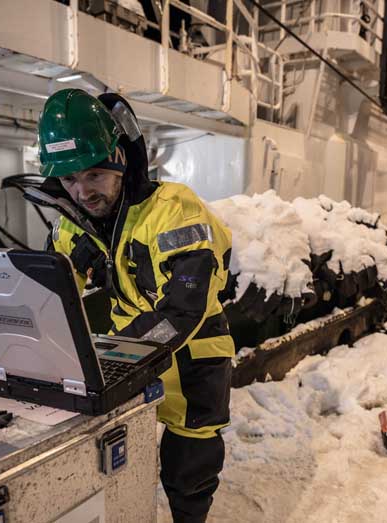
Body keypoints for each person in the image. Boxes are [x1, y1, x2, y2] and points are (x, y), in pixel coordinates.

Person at [26, 88, 234, 523]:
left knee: (188, 466)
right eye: (68, 181)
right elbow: (48, 290)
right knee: (125, 458)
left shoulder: (174, 210)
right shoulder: (74, 222)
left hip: (192, 353)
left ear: (120, 160)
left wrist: (118, 353)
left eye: (94, 176)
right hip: (130, 354)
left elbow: (184, 308)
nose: (82, 192)